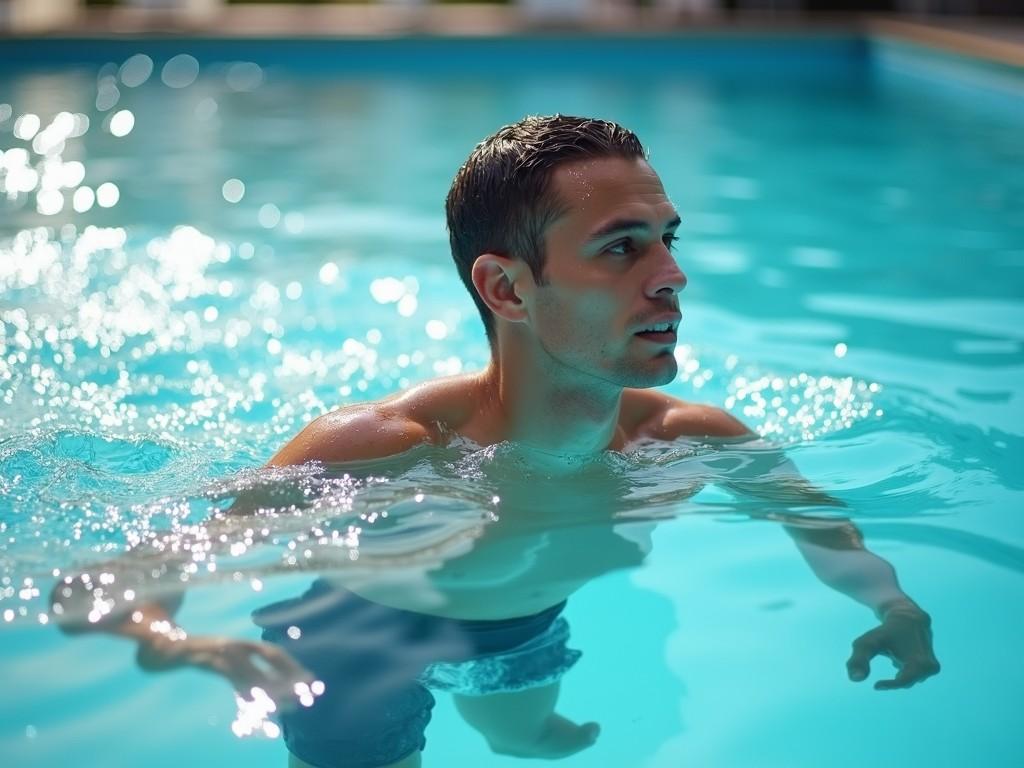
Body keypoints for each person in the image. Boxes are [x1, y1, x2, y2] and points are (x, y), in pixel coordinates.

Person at [52, 115, 939, 768]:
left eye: (667, 240)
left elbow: (817, 523)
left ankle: (508, 718)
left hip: (521, 622)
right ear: (507, 288)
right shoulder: (377, 450)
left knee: (527, 741)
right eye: (623, 249)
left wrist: (895, 609)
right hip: (355, 635)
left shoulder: (688, 441)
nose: (674, 276)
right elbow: (125, 575)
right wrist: (175, 643)